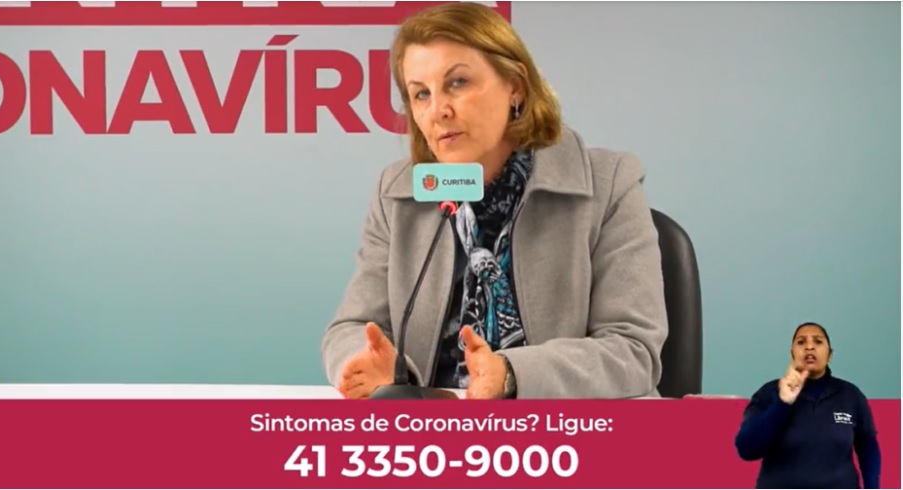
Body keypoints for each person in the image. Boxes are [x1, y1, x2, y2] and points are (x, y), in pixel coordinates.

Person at [320, 2, 668, 400]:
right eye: (421, 94)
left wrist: (511, 374)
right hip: (430, 430)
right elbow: (351, 327)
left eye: (458, 83)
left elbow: (633, 350)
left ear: (514, 85)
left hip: (566, 429)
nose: (438, 111)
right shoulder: (398, 194)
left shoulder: (609, 183)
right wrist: (367, 363)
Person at [734, 322, 882, 488]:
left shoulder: (850, 395)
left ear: (830, 355)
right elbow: (747, 450)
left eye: (818, 341)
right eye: (801, 342)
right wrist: (782, 403)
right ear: (792, 353)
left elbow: (868, 445)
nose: (809, 347)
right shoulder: (768, 393)